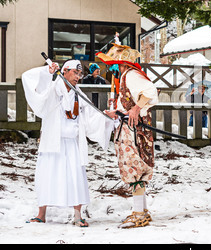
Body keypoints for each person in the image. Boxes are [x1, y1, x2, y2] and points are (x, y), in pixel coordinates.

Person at [22, 59, 114, 227]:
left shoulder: (78, 94)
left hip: (72, 143)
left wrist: (107, 118)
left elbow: (91, 116)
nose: (78, 77)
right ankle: (41, 214)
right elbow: (29, 81)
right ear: (64, 71)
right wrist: (47, 72)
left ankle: (78, 216)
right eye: (75, 72)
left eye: (80, 74)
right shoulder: (51, 89)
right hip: (51, 141)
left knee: (75, 177)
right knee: (46, 176)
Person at [98, 43, 159, 229]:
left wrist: (136, 108)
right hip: (128, 126)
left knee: (135, 167)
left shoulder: (131, 75)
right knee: (136, 167)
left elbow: (151, 92)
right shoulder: (125, 77)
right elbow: (128, 103)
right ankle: (142, 210)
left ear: (121, 63)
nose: (111, 67)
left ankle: (139, 213)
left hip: (133, 129)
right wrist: (117, 112)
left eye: (113, 63)